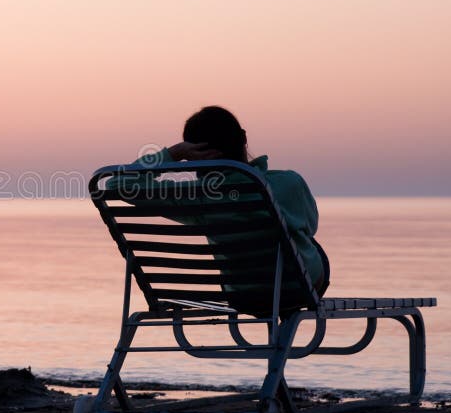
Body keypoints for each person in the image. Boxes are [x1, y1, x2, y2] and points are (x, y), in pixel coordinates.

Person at [110, 105, 330, 315]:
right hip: (298, 291)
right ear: (243, 138)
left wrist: (174, 153)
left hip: (244, 297)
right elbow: (310, 227)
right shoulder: (289, 183)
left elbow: (117, 185)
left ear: (193, 154)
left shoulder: (200, 198)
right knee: (305, 242)